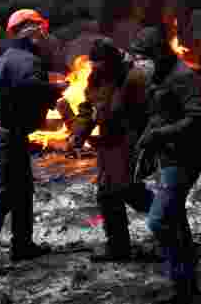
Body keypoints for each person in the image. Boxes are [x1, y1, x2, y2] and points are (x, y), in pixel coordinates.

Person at [0, 9, 67, 278]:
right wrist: (56, 89)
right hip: (11, 137)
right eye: (40, 27)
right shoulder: (25, 60)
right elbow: (30, 88)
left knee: (23, 190)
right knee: (3, 195)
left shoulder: (6, 59)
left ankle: (22, 245)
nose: (44, 33)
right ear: (29, 29)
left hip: (11, 134)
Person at [131, 27, 201, 304]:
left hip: (184, 159)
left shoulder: (183, 76)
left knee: (159, 221)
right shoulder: (158, 74)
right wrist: (145, 142)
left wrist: (159, 135)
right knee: (175, 217)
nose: (139, 63)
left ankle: (181, 278)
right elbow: (159, 114)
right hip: (166, 158)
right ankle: (186, 281)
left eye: (143, 57)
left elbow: (198, 119)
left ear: (157, 53)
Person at [66, 37, 153, 262]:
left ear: (112, 62)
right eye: (95, 66)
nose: (97, 70)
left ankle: (170, 226)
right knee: (109, 193)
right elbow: (88, 108)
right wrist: (79, 133)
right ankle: (119, 247)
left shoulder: (134, 78)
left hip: (130, 142)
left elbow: (147, 114)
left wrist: (145, 145)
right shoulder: (97, 77)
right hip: (109, 142)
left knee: (127, 190)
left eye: (101, 66)